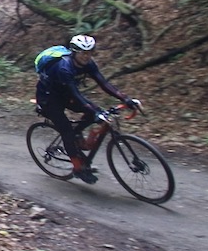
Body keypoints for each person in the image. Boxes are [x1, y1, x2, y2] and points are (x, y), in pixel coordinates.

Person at [35, 34, 141, 184]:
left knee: (94, 112)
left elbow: (104, 83)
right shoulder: (64, 67)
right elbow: (76, 94)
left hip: (65, 95)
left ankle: (77, 137)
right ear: (74, 52)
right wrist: (96, 113)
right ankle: (78, 168)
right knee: (67, 131)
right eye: (82, 53)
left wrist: (125, 99)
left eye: (89, 52)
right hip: (48, 98)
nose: (86, 56)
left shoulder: (89, 64)